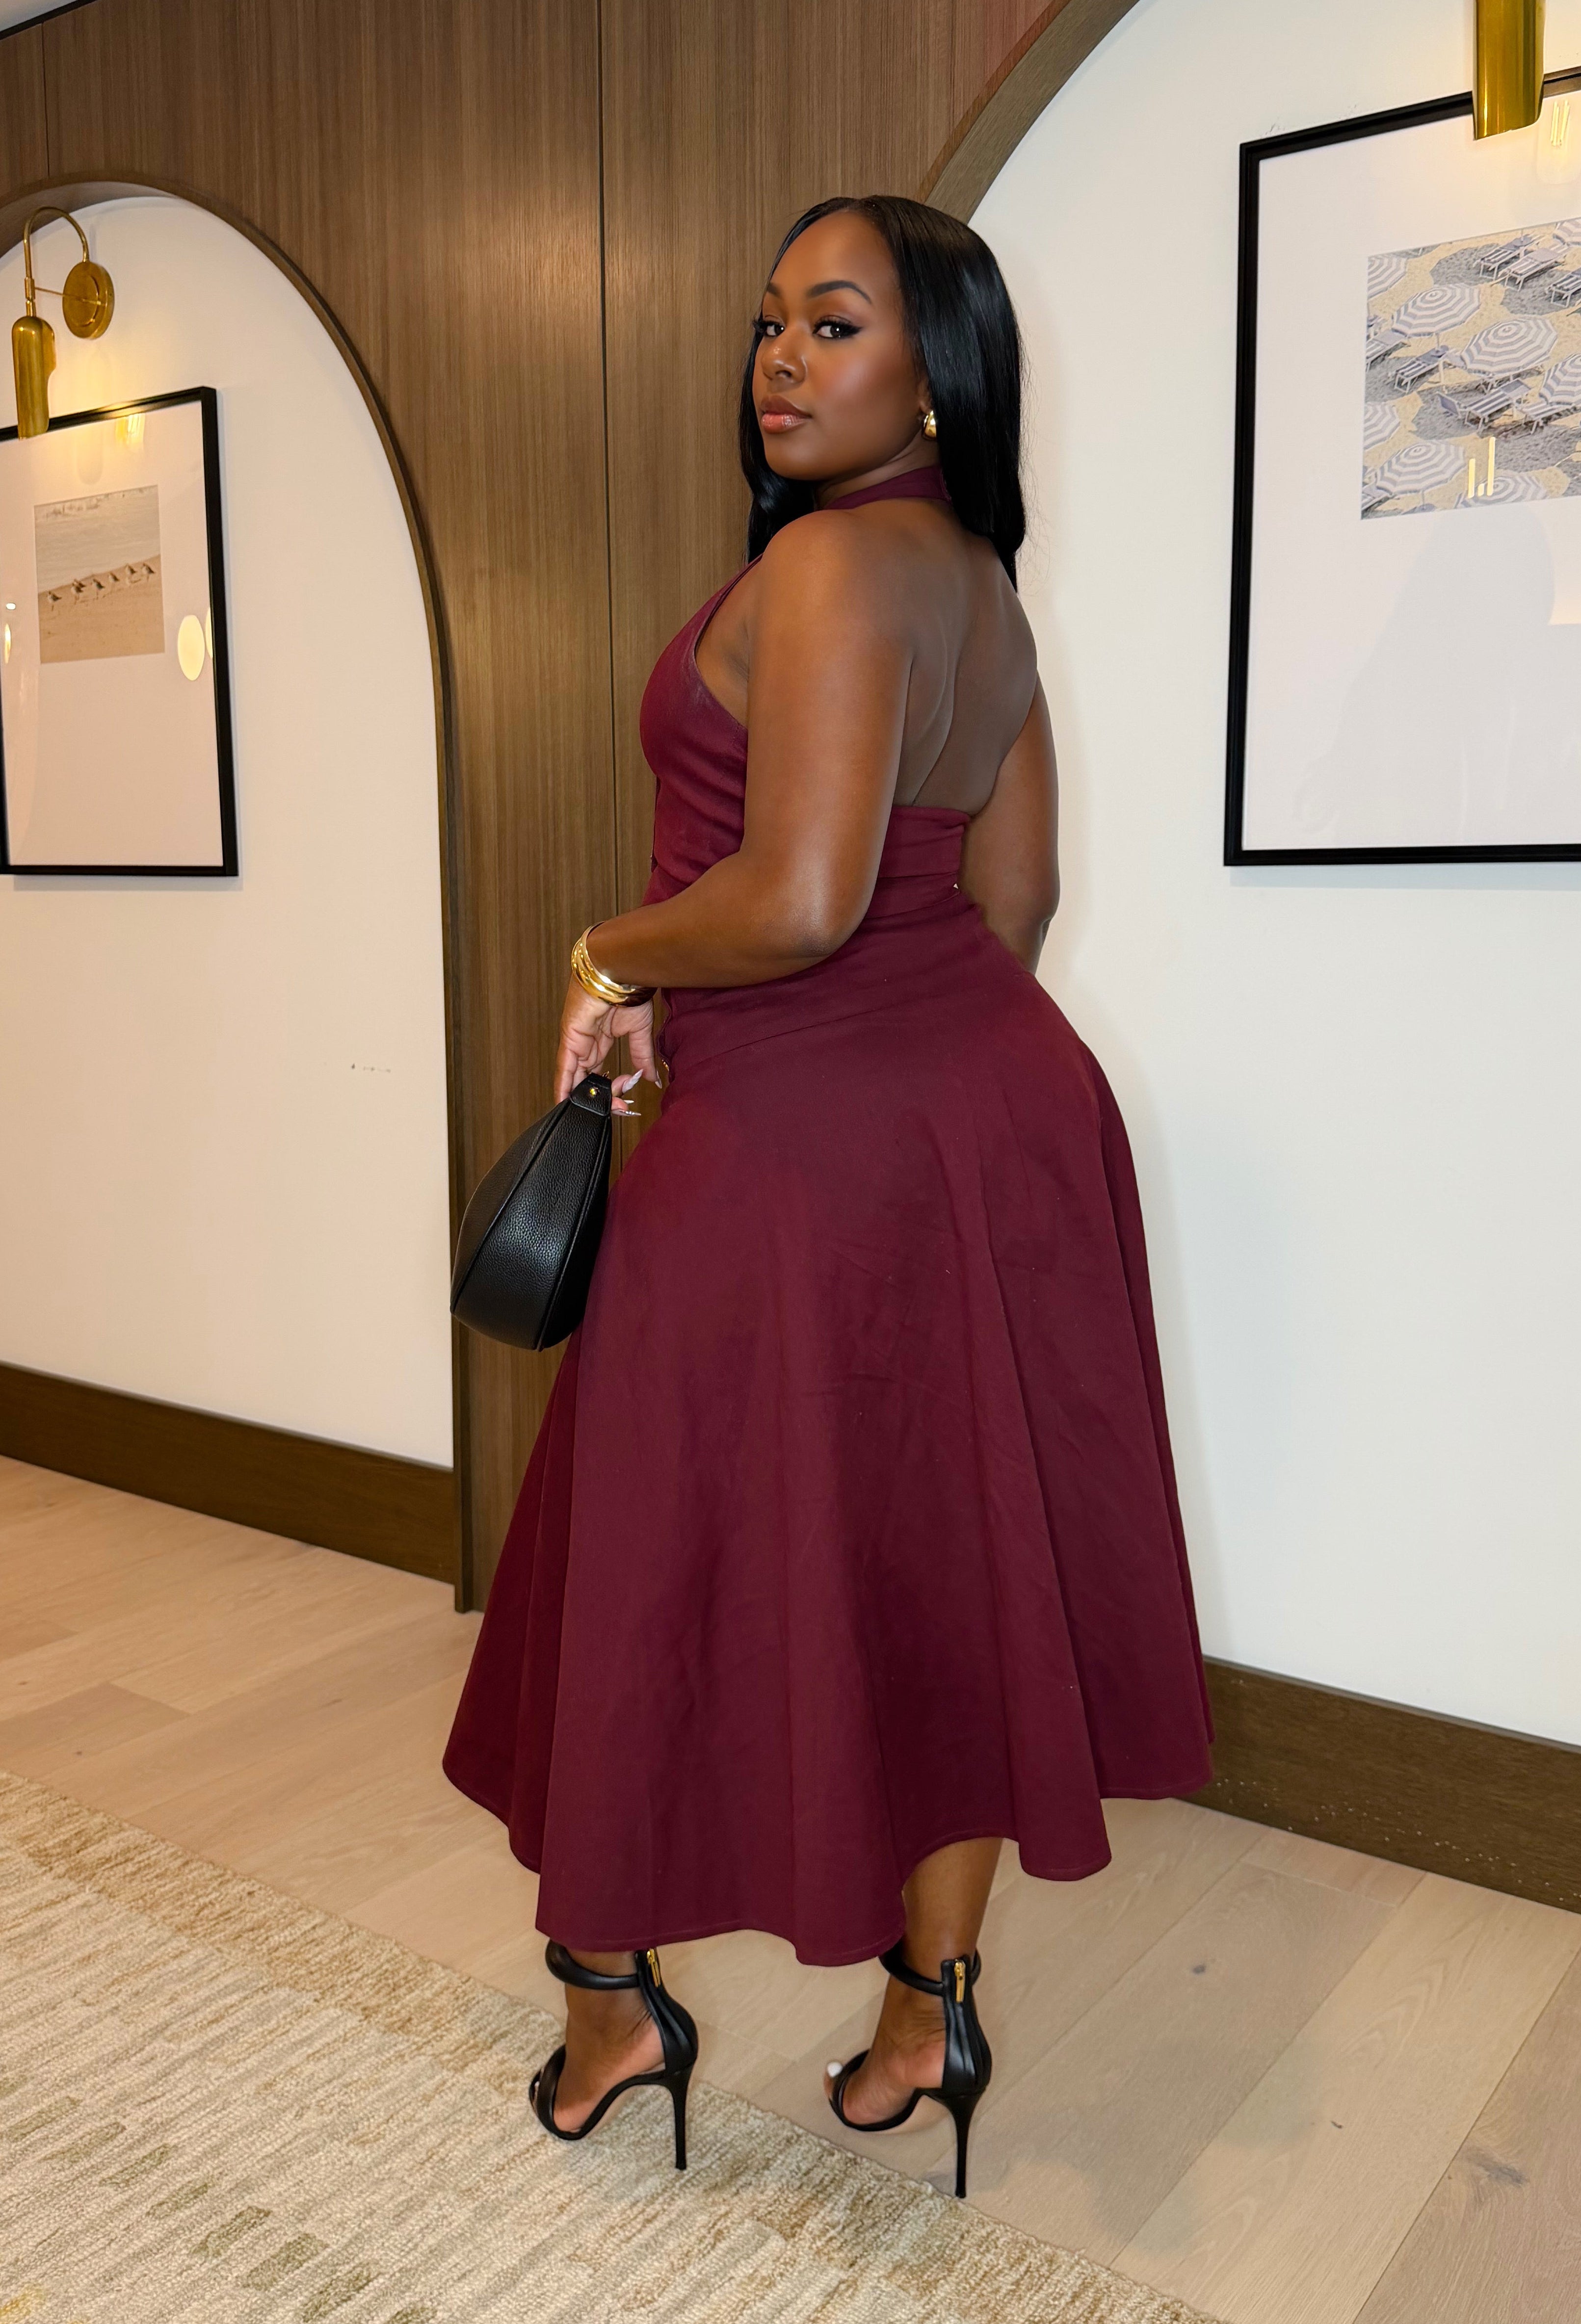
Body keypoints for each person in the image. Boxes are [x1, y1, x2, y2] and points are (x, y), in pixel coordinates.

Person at [442, 193, 1212, 2199]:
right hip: (995, 1124)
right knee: (946, 1565)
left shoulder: (830, 564)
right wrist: (915, 1081)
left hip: (793, 1145)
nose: (781, 356)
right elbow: (1011, 901)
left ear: (935, 374)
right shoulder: (983, 590)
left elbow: (792, 899)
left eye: (837, 322)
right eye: (771, 319)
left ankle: (611, 2005)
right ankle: (926, 2011)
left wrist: (608, 955)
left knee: (656, 1547)